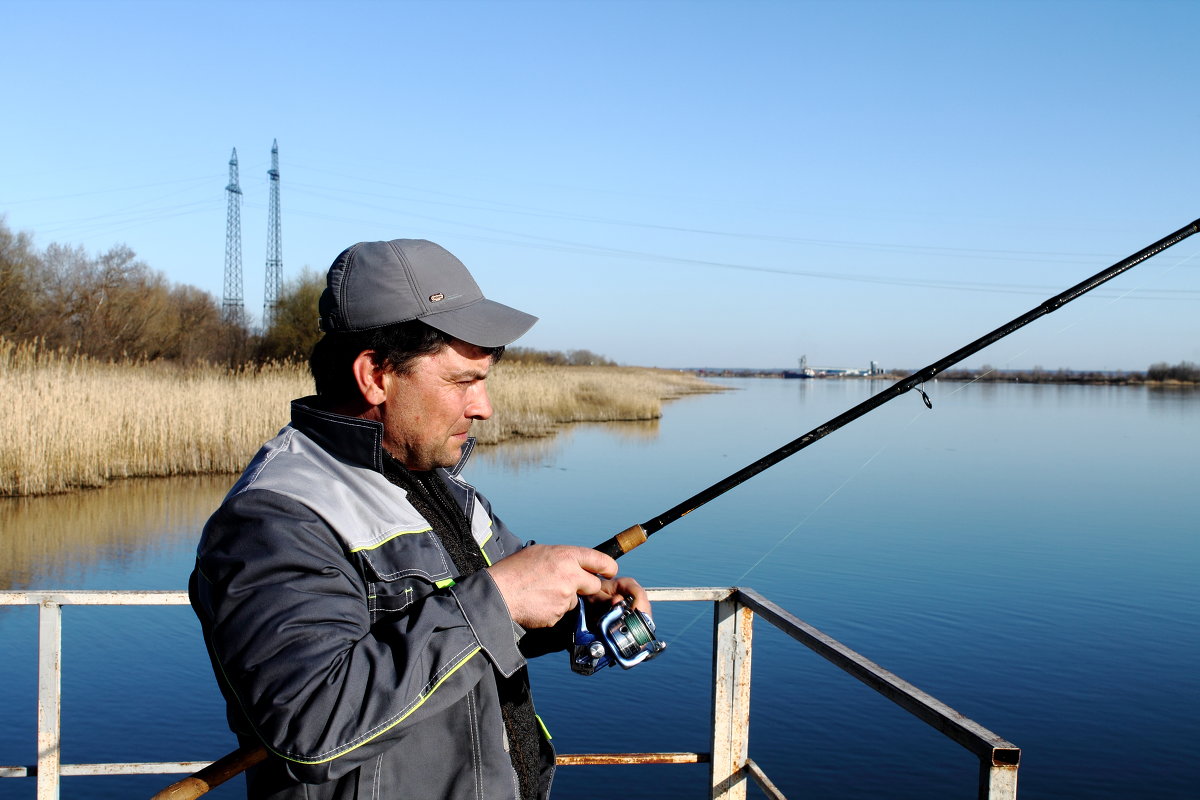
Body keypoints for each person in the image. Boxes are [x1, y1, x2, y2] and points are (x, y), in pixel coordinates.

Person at [189, 239, 649, 800]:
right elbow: (311, 724)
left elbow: (484, 620)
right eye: (462, 381)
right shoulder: (274, 519)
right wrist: (501, 598)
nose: (483, 407)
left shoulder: (432, 478)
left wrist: (579, 602)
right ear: (376, 376)